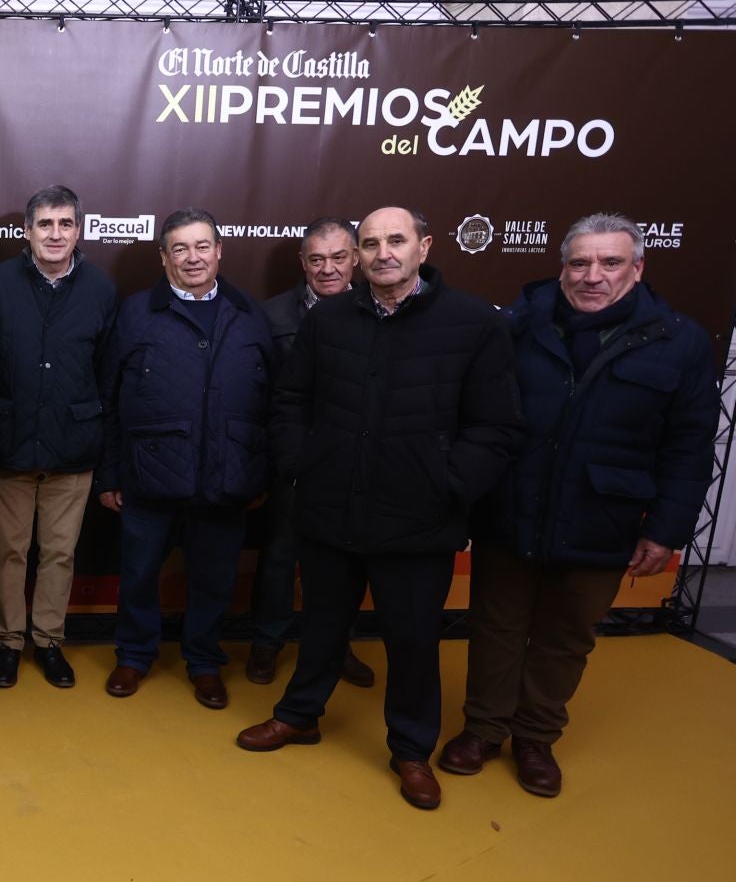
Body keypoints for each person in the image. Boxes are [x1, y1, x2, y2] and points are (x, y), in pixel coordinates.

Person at [238, 206, 522, 810]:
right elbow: (291, 401)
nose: (382, 253)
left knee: (413, 642)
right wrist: (300, 465)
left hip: (420, 521)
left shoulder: (473, 323)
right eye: (370, 244)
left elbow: (495, 426)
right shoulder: (330, 319)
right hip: (329, 510)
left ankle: (411, 750)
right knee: (319, 627)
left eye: (396, 240)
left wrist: (448, 485)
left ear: (424, 245)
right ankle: (299, 715)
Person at [446, 214, 717, 797]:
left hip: (604, 515)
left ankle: (536, 737)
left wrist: (667, 529)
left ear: (637, 268)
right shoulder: (516, 325)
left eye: (611, 263)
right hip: (510, 506)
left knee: (567, 633)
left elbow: (689, 447)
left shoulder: (682, 341)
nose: (593, 276)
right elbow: (474, 417)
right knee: (495, 624)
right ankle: (484, 729)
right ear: (562, 266)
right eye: (580, 262)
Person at [98, 209, 273, 711]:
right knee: (138, 572)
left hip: (226, 476)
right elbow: (108, 398)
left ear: (219, 251)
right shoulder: (133, 314)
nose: (192, 258)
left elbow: (268, 400)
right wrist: (110, 472)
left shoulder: (249, 314)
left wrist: (257, 469)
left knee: (215, 578)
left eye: (202, 247)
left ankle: (203, 661)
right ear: (163, 257)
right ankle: (134, 655)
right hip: (147, 475)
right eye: (180, 248)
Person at [0, 185, 116, 690]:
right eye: (45, 224)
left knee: (59, 554)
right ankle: (9, 643)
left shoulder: (101, 290)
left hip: (72, 446)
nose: (55, 234)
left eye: (65, 224)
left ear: (78, 231)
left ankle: (49, 641)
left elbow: (105, 371)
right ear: (27, 232)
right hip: (9, 440)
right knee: (9, 554)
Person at [246, 218, 377, 690]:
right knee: (280, 556)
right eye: (316, 259)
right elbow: (257, 396)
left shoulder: (379, 311)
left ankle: (336, 646)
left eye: (338, 257)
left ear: (356, 259)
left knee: (346, 563)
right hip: (293, 461)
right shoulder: (270, 316)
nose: (327, 269)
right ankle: (266, 642)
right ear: (303, 263)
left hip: (356, 464)